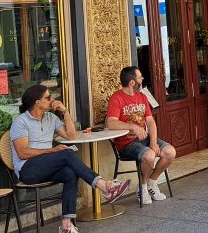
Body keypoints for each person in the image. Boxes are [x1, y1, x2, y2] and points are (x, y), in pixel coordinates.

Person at [11, 84, 130, 233]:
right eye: (48, 97)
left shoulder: (51, 118)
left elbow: (71, 136)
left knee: (70, 173)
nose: (52, 99)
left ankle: (66, 224)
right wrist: (52, 150)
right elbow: (22, 153)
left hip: (46, 166)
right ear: (38, 102)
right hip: (27, 170)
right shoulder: (21, 121)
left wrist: (65, 112)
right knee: (67, 154)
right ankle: (104, 186)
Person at [106, 67, 176, 205]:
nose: (142, 79)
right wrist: (133, 127)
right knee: (149, 155)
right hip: (126, 143)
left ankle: (151, 183)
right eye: (140, 77)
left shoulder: (142, 96)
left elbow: (150, 121)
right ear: (132, 82)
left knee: (170, 152)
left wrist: (153, 142)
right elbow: (110, 122)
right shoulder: (117, 98)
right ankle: (142, 187)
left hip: (145, 139)